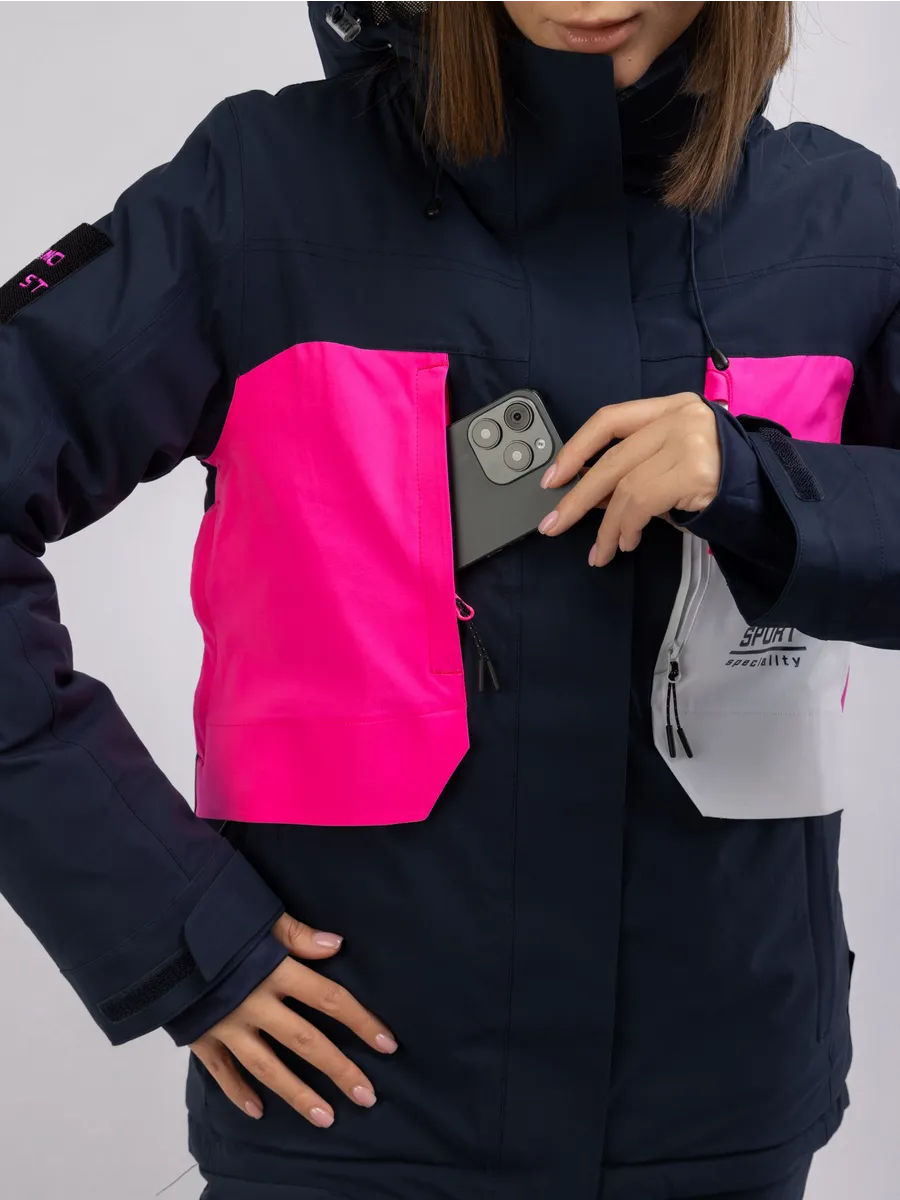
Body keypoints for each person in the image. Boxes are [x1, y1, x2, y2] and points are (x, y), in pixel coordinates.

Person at [2, 0, 897, 1195]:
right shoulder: (259, 198)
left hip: (719, 1106)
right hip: (351, 1105)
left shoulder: (842, 221)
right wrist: (171, 926)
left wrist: (764, 488)